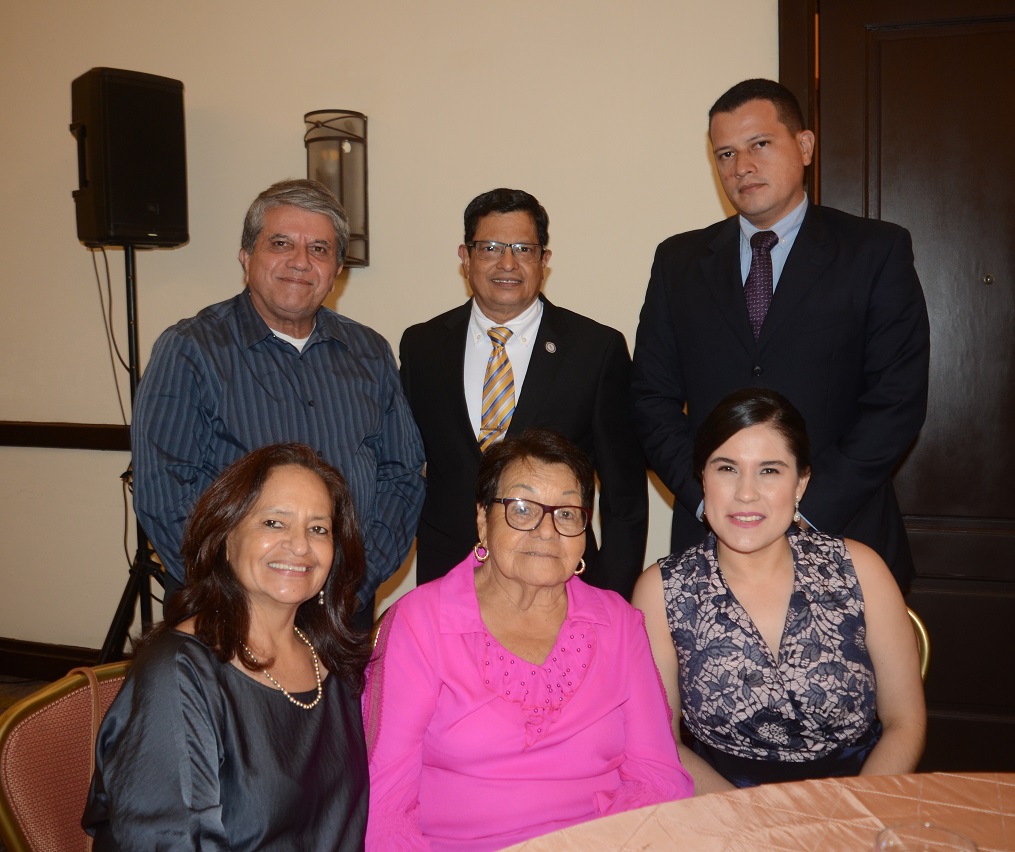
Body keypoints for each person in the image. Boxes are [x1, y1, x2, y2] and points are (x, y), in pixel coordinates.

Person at [631, 79, 930, 589]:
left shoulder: (875, 251)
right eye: (725, 153)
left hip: (842, 533)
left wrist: (802, 506)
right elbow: (651, 399)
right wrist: (711, 499)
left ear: (805, 146)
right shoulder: (678, 261)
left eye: (760, 145)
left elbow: (896, 402)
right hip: (711, 547)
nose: (741, 166)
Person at [363, 429, 692, 849]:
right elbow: (384, 804)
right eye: (522, 508)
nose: (546, 531)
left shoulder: (620, 624)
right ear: (483, 519)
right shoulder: (418, 623)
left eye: (567, 513)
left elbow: (657, 777)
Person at [132, 178, 425, 625]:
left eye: (320, 249)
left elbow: (402, 475)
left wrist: (358, 581)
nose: (300, 262)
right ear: (247, 257)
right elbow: (164, 491)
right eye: (281, 243)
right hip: (227, 612)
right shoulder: (190, 349)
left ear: (337, 268)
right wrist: (239, 594)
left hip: (342, 610)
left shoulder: (370, 352)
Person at [632, 389, 926, 792]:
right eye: (726, 468)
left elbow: (904, 723)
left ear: (801, 483)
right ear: (702, 477)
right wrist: (756, 828)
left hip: (860, 807)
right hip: (723, 815)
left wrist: (853, 820)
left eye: (770, 470)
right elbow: (660, 741)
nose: (746, 493)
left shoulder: (861, 569)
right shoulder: (663, 590)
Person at [83, 443, 371, 849]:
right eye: (274, 523)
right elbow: (171, 841)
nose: (300, 545)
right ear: (225, 537)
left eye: (319, 528)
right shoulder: (178, 674)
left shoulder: (333, 659)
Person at [400, 188, 647, 599]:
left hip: (557, 576)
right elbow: (405, 466)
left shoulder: (595, 350)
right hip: (447, 580)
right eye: (491, 247)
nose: (507, 263)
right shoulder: (422, 346)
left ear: (544, 260)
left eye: (523, 249)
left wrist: (616, 596)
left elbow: (625, 495)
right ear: (465, 257)